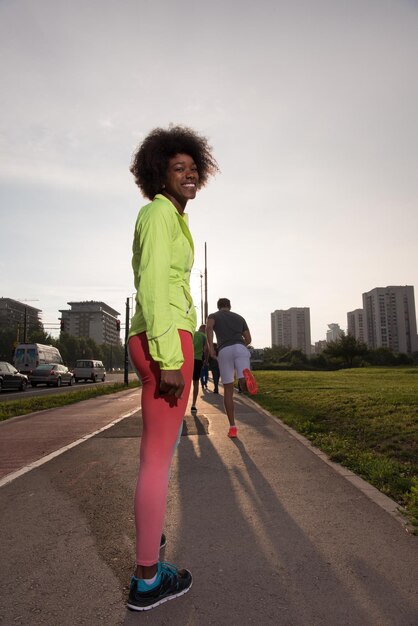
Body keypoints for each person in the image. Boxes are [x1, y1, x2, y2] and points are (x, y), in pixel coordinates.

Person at [127, 125, 218, 611]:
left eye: (193, 168)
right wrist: (168, 355)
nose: (189, 175)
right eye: (178, 167)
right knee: (157, 461)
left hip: (162, 336)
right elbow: (152, 287)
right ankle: (147, 580)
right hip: (165, 340)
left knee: (155, 457)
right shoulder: (159, 213)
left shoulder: (173, 219)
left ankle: (149, 549)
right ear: (158, 172)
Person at [206, 298, 256, 438]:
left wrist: (211, 348)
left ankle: (232, 427)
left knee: (228, 389)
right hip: (240, 347)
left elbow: (209, 328)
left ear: (218, 306)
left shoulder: (213, 316)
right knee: (242, 382)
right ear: (229, 306)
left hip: (224, 351)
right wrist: (241, 345)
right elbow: (249, 339)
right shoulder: (240, 318)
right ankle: (244, 378)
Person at [191, 324, 207, 413]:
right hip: (197, 360)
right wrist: (206, 359)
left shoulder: (192, 333)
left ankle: (181, 406)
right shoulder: (204, 336)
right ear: (204, 329)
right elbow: (206, 349)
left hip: (188, 359)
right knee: (195, 383)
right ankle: (193, 405)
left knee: (185, 383)